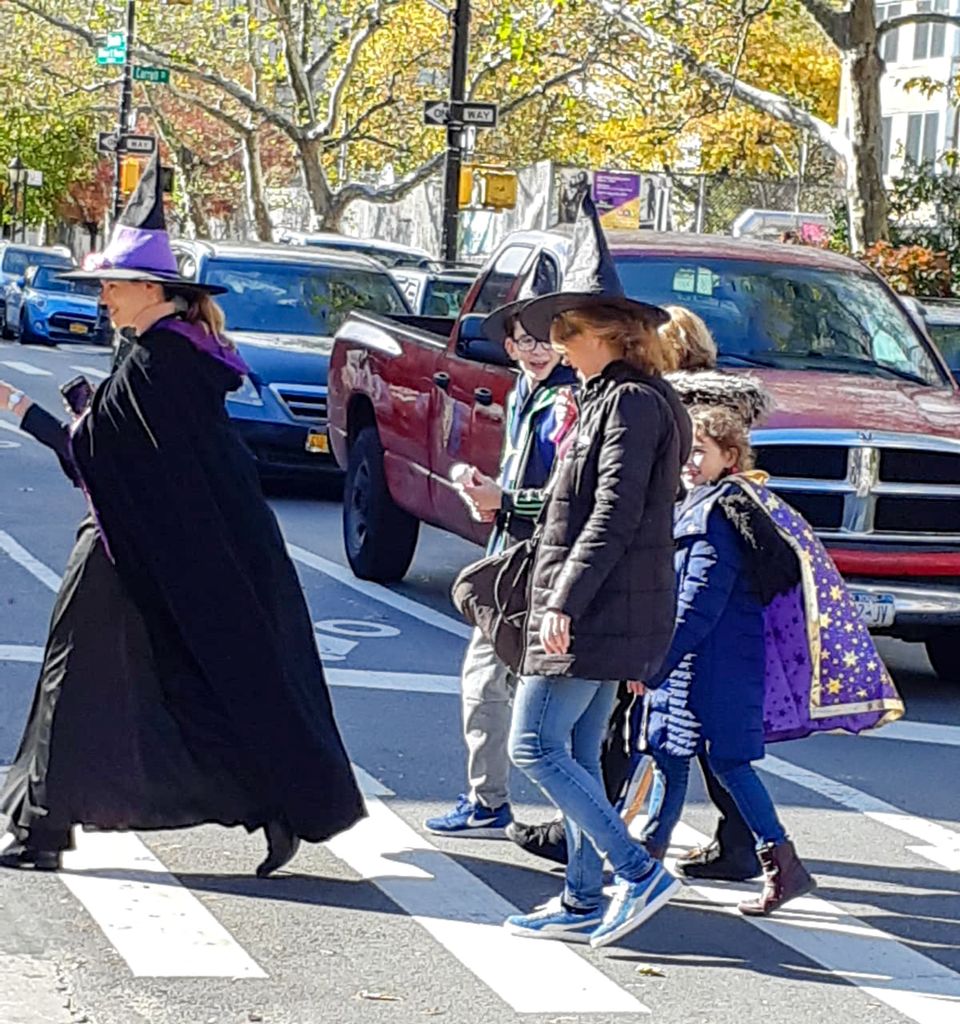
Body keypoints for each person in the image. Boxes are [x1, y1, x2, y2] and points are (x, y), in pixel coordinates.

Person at [0, 156, 365, 875]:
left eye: (111, 284)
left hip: (130, 545)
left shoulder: (159, 360)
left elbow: (97, 457)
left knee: (84, 680)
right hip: (161, 544)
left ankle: (44, 827)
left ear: (151, 290)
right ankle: (264, 803)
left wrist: (20, 411)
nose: (101, 296)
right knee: (173, 679)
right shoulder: (170, 351)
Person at [502, 194, 691, 948]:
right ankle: (582, 897)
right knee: (577, 749)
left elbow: (612, 514)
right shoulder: (618, 398)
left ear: (606, 335)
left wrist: (565, 598)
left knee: (535, 746)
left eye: (566, 333)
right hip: (611, 601)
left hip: (599, 603)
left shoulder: (632, 404)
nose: (556, 346)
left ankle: (634, 871)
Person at [637, 386, 904, 915]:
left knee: (701, 759)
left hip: (705, 666)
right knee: (697, 759)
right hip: (718, 664)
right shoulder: (712, 506)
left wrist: (654, 663)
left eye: (700, 452)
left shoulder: (717, 515)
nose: (689, 462)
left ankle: (657, 867)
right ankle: (763, 865)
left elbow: (698, 606)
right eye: (685, 450)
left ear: (729, 457)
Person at [426, 256, 577, 837]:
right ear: (509, 345)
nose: (536, 349)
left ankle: (572, 820)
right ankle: (492, 801)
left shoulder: (572, 402)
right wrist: (484, 492)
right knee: (490, 682)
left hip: (551, 564)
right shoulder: (523, 394)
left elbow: (571, 496)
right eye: (523, 338)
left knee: (544, 699)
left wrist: (507, 501)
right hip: (511, 557)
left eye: (546, 338)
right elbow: (518, 482)